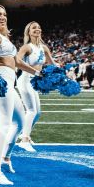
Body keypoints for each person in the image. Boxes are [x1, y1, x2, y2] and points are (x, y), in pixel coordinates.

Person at [0, 5, 41, 186]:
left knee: (19, 122)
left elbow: (17, 62)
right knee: (2, 124)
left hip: (10, 86)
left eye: (5, 14)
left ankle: (5, 158)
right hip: (0, 82)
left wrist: (37, 73)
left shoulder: (5, 38)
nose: (3, 17)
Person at [12, 21, 57, 152]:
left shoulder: (44, 48)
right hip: (25, 80)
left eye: (38, 27)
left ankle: (24, 134)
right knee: (31, 110)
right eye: (33, 28)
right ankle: (24, 140)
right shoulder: (27, 47)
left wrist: (61, 75)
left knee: (37, 113)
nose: (37, 29)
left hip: (36, 81)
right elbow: (17, 61)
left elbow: (53, 63)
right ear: (29, 32)